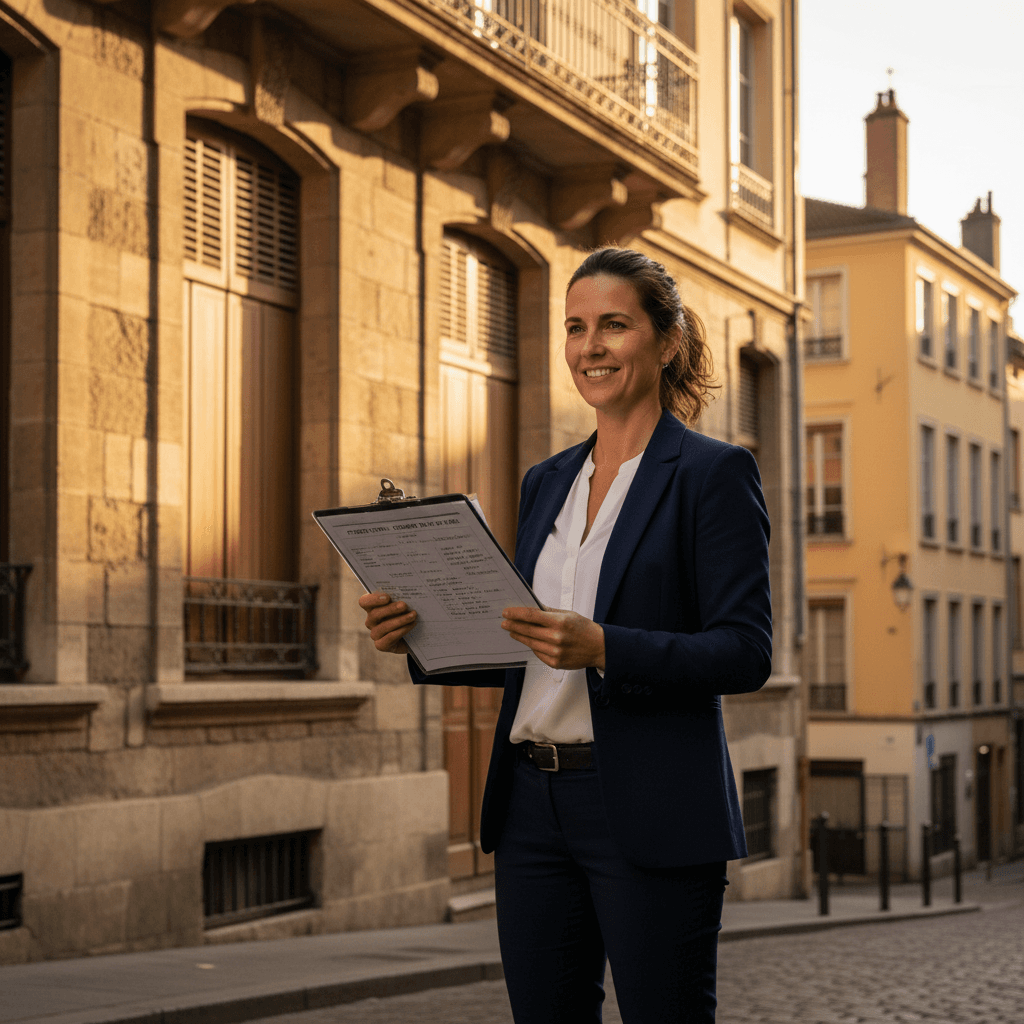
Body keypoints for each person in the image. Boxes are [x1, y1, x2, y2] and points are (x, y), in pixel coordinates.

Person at [358, 247, 772, 1023]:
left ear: (668, 339)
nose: (591, 347)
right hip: (529, 809)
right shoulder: (546, 481)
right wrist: (417, 635)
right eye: (576, 328)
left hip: (649, 807)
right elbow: (527, 648)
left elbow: (746, 651)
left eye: (614, 325)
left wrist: (606, 647)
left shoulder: (714, 475)